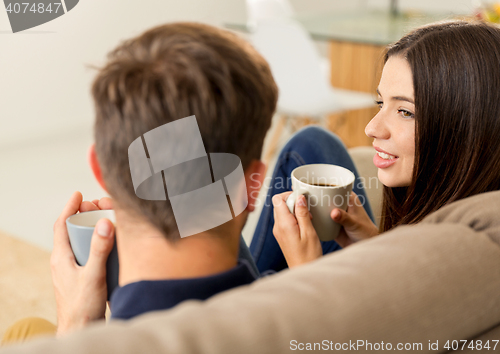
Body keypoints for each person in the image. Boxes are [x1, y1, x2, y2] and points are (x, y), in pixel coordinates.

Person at [2, 21, 278, 344]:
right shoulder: (301, 305)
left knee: (25, 332)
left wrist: (75, 329)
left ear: (100, 170)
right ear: (254, 184)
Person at [250, 20, 500, 271]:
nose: (371, 128)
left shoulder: (450, 256)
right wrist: (373, 245)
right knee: (311, 142)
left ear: (469, 128)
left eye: (405, 112)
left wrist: (305, 270)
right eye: (381, 104)